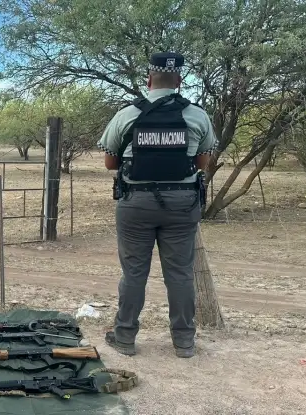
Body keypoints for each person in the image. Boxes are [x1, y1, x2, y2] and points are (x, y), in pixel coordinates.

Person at [96, 52, 217, 358]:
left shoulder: (127, 115)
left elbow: (111, 162)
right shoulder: (197, 115)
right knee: (180, 274)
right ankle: (184, 341)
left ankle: (124, 337)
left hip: (135, 203)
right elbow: (203, 161)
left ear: (149, 80)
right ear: (179, 81)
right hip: (182, 203)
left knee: (134, 273)